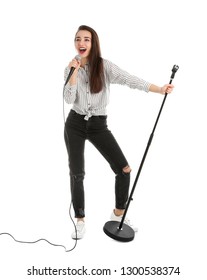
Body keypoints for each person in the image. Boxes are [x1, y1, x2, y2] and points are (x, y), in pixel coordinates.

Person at [63, 25, 174, 239]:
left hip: (98, 125)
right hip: (74, 124)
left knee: (124, 170)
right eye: (78, 39)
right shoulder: (70, 69)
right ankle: (80, 219)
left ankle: (117, 214)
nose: (81, 43)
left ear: (93, 43)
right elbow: (68, 99)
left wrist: (159, 89)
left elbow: (129, 79)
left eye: (86, 39)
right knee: (77, 173)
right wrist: (74, 72)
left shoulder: (105, 67)